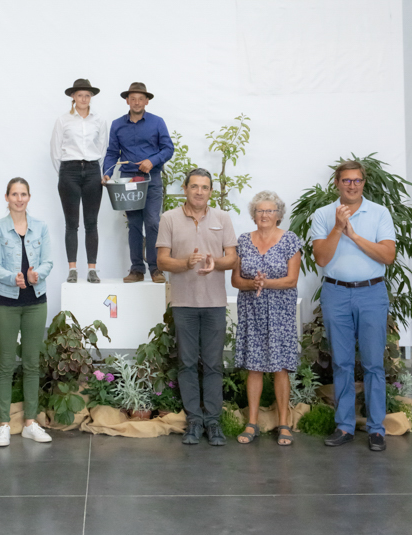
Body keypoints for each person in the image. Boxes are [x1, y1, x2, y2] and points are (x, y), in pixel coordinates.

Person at [312, 160, 395, 452]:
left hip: (372, 293)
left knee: (373, 364)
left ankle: (376, 429)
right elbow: (322, 258)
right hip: (336, 293)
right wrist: (338, 227)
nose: (352, 185)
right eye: (346, 180)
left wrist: (355, 235)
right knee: (342, 363)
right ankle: (345, 426)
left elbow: (387, 256)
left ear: (363, 183)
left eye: (357, 180)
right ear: (337, 183)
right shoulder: (323, 214)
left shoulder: (379, 213)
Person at [156, 168, 238, 445]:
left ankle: (213, 422)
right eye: (194, 186)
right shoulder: (169, 218)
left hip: (215, 303)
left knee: (213, 364)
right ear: (185, 188)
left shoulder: (222, 218)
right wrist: (185, 263)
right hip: (184, 304)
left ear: (211, 191)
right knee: (187, 363)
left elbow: (232, 258)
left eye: (204, 187)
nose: (199, 192)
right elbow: (162, 261)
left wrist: (216, 262)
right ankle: (193, 421)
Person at [231, 191, 302, 446]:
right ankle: (252, 423)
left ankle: (284, 424)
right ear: (253, 215)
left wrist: (265, 283)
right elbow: (236, 280)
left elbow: (292, 280)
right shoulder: (243, 240)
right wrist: (253, 284)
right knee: (254, 367)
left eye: (270, 211)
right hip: (251, 310)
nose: (264, 215)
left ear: (279, 215)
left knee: (280, 368)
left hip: (281, 312)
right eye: (260, 210)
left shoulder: (290, 240)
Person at [0, 178, 54, 447]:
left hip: (36, 301)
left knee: (31, 364)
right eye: (14, 194)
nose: (19, 199)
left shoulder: (41, 227)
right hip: (7, 301)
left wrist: (38, 275)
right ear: (7, 197)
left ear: (29, 197)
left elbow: (48, 261)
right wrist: (11, 278)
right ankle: (4, 424)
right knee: (5, 364)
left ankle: (30, 423)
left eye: (23, 194)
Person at [103, 82, 174, 283]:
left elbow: (168, 148)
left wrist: (152, 161)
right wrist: (107, 173)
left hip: (151, 179)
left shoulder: (157, 122)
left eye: (140, 99)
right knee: (134, 224)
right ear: (127, 100)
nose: (136, 102)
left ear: (147, 101)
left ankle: (155, 268)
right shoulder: (117, 124)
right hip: (128, 181)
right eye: (132, 98)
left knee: (153, 222)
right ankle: (136, 269)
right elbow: (112, 152)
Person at [50, 79, 108, 284]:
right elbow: (55, 151)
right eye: (80, 95)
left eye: (87, 95)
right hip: (69, 171)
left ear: (91, 97)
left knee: (91, 222)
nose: (83, 99)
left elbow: (102, 148)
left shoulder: (99, 120)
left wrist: (95, 169)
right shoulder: (63, 120)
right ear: (73, 97)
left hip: (92, 170)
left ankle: (92, 269)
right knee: (71, 223)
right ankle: (72, 269)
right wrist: (65, 173)